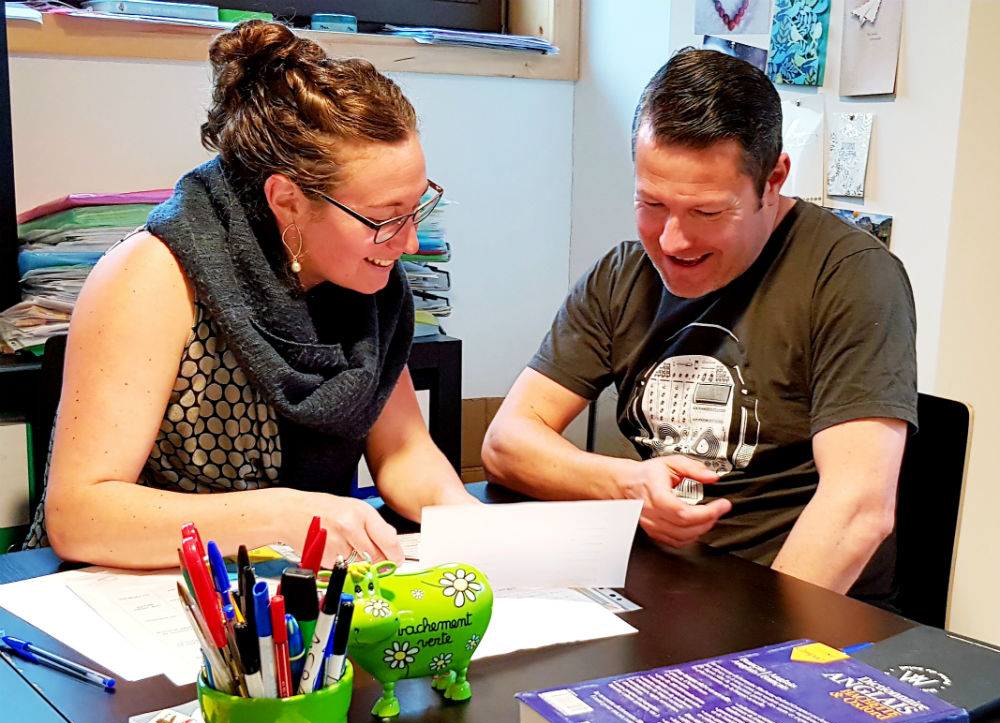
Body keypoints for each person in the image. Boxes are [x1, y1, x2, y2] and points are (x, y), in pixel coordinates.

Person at [25, 19, 475, 570]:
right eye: (384, 219)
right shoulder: (154, 275)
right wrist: (284, 515)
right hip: (144, 589)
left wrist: (470, 524)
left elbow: (404, 451)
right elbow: (80, 516)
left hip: (302, 589)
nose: (408, 242)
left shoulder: (368, 281)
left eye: (416, 207)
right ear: (286, 199)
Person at [482, 48, 917, 603]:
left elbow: (858, 511)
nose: (672, 242)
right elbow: (506, 444)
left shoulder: (849, 277)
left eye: (707, 213)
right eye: (652, 204)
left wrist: (758, 662)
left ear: (774, 180)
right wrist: (629, 485)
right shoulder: (623, 275)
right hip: (659, 586)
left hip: (790, 606)